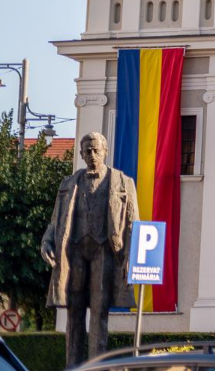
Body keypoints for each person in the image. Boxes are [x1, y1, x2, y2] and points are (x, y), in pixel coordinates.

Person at [40, 132, 139, 369]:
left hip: (104, 250)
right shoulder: (68, 184)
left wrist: (130, 256)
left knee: (98, 311)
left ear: (105, 151)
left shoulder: (123, 183)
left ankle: (96, 366)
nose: (92, 155)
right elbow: (56, 221)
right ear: (82, 154)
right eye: (87, 151)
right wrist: (46, 241)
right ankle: (73, 366)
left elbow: (134, 223)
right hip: (74, 251)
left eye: (96, 150)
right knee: (74, 312)